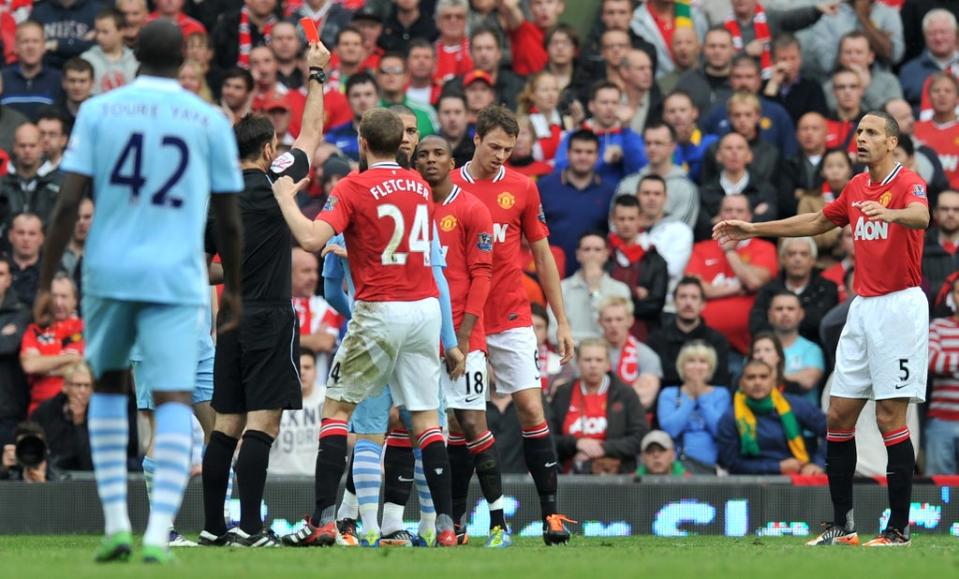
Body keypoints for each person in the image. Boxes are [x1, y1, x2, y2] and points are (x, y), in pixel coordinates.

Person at [33, 20, 244, 561]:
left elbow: (65, 204)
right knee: (176, 398)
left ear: (131, 53)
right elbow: (229, 219)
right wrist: (236, 288)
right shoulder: (209, 119)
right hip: (177, 278)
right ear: (187, 59)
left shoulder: (101, 110)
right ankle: (158, 536)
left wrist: (44, 278)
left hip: (110, 271)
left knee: (109, 390)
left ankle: (118, 523)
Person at [715, 111, 930, 546]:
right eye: (859, 132)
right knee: (838, 414)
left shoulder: (909, 183)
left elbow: (921, 216)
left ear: (891, 142)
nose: (861, 138)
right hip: (863, 307)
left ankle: (898, 529)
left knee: (890, 416)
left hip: (900, 308)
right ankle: (842, 526)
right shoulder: (855, 187)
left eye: (871, 132)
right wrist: (753, 229)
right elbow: (816, 223)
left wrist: (891, 216)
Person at [270, 107, 464, 548]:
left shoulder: (353, 186)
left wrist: (285, 196)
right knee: (427, 421)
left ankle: (324, 520)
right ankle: (448, 525)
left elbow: (310, 239)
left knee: (336, 412)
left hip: (380, 309)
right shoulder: (419, 185)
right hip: (425, 311)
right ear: (401, 144)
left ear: (361, 142)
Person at [199, 37, 328, 549]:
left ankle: (213, 526)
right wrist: (316, 74)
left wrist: (232, 273)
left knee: (225, 423)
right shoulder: (279, 179)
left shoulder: (218, 196)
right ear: (270, 149)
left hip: (229, 315)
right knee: (263, 422)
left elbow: (203, 267)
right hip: (271, 316)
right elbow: (313, 131)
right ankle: (251, 528)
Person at [451, 105, 576, 544]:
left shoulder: (523, 188)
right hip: (462, 321)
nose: (501, 155)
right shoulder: (446, 186)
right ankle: (456, 522)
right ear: (476, 138)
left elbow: (542, 255)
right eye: (494, 146)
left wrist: (561, 320)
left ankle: (552, 516)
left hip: (510, 314)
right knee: (464, 419)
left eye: (508, 148)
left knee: (529, 407)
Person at [415, 134, 511, 548]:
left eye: (438, 154)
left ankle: (499, 523)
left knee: (470, 421)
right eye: (423, 155)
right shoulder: (411, 207)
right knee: (421, 425)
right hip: (417, 333)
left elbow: (482, 274)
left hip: (462, 334)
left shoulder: (472, 208)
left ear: (452, 161)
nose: (430, 160)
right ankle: (445, 523)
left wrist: (466, 338)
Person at [686, 194, 778, 355]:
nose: (733, 215)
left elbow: (753, 282)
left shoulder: (765, 248)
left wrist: (729, 250)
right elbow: (697, 290)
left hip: (747, 346)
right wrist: (737, 287)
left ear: (749, 217)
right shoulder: (700, 248)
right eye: (728, 210)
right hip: (703, 344)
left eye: (739, 211)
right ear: (719, 216)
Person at [549, 338, 647, 475]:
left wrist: (603, 448)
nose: (593, 365)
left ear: (608, 364)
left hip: (616, 474)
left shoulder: (626, 394)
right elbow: (549, 438)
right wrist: (576, 444)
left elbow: (639, 437)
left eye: (599, 360)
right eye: (587, 360)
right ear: (577, 363)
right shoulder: (563, 393)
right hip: (569, 475)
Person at [716, 359, 826, 475]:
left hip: (798, 478)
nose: (757, 382)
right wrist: (777, 467)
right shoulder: (730, 417)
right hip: (751, 485)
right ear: (741, 383)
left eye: (763, 377)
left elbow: (832, 430)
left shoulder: (795, 405)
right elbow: (731, 463)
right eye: (751, 377)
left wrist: (818, 463)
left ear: (773, 381)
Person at [539, 130, 616, 276]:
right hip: (549, 273)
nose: (583, 157)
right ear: (568, 153)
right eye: (578, 151)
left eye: (589, 152)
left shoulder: (609, 192)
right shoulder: (545, 186)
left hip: (592, 275)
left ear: (597, 155)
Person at [748, 237, 839, 346]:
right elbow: (757, 325)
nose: (797, 259)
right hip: (775, 350)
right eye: (791, 254)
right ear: (782, 260)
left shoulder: (827, 288)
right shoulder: (768, 290)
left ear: (813, 260)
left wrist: (780, 322)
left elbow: (822, 323)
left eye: (803, 254)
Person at [657, 341, 730, 471]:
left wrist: (701, 397)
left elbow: (720, 430)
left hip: (713, 467)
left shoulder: (721, 393)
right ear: (682, 366)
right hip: (678, 467)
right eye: (691, 361)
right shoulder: (669, 394)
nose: (697, 366)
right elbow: (670, 430)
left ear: (710, 367)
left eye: (703, 361)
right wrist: (690, 399)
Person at [555, 81, 646, 184]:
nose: (610, 108)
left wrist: (625, 155)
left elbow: (642, 168)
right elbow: (560, 169)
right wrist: (603, 161)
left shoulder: (628, 135)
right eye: (604, 102)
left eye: (614, 103)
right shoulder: (576, 135)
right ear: (591, 106)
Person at [648, 277, 732, 388]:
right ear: (674, 302)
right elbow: (659, 375)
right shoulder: (657, 339)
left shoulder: (717, 340)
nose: (688, 303)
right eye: (683, 297)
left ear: (702, 304)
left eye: (694, 297)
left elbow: (720, 379)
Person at [20, 273, 84, 416]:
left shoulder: (85, 329)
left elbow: (84, 366)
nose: (58, 302)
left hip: (75, 410)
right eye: (54, 296)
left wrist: (45, 364)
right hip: (39, 411)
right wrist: (69, 359)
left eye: (64, 296)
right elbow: (30, 365)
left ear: (75, 300)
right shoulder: (35, 330)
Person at [606, 193, 669, 337]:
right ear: (612, 219)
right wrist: (633, 292)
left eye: (631, 219)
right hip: (604, 333)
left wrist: (614, 305)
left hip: (643, 333)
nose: (626, 224)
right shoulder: (602, 254)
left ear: (640, 219)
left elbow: (655, 305)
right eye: (621, 219)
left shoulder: (655, 260)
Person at [615, 123, 700, 229]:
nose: (652, 148)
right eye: (648, 143)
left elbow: (681, 228)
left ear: (673, 147)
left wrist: (643, 230)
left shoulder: (686, 188)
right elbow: (615, 222)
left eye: (658, 143)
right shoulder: (627, 184)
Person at [554, 233, 630, 343]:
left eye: (597, 249)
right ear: (578, 254)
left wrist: (594, 290)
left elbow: (621, 332)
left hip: (609, 355)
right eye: (587, 249)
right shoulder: (562, 288)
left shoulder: (620, 289)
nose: (592, 254)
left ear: (606, 254)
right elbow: (553, 332)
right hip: (571, 356)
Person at [597, 296, 663, 411]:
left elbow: (645, 399)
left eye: (619, 319)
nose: (613, 325)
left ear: (630, 320)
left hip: (632, 422)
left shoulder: (647, 356)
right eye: (608, 320)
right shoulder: (588, 354)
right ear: (599, 322)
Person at [267, 348, 325, 476]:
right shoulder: (273, 398)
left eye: (307, 367)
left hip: (316, 478)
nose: (302, 372)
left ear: (316, 372)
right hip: (277, 479)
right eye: (298, 367)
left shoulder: (328, 399)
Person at [30, 361, 93, 471]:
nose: (82, 391)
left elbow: (89, 464)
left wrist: (79, 422)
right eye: (78, 385)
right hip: (50, 475)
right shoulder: (46, 411)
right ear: (65, 387)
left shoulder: (99, 415)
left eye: (87, 385)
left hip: (85, 479)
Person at [823, 31, 902, 114]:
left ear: (870, 57)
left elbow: (896, 116)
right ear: (840, 57)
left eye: (859, 52)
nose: (853, 57)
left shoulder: (889, 81)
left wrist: (868, 88)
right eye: (848, 52)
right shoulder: (829, 86)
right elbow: (837, 113)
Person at [926, 276, 959, 474]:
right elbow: (931, 361)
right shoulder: (937, 326)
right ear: (952, 296)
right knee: (941, 493)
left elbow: (941, 361)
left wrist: (949, 363)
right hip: (941, 423)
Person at [0, 21, 62, 121]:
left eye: (35, 41)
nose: (30, 47)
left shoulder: (58, 80)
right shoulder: (2, 78)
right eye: (25, 41)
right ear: (15, 47)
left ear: (44, 46)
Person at [762, 33, 828, 126]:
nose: (789, 64)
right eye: (783, 59)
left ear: (800, 59)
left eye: (793, 58)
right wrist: (774, 83)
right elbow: (763, 116)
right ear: (772, 62)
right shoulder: (763, 86)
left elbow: (819, 120)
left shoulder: (812, 87)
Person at [1, 125, 59, 227]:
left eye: (32, 146)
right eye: (22, 145)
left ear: (41, 147)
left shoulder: (57, 183)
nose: (27, 151)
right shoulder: (2, 182)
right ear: (14, 147)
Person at [0, 256, 30, 446]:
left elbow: (9, 345)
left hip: (8, 411)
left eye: (1, 274)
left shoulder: (21, 312)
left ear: (9, 279)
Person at [81, 7, 139, 95]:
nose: (99, 37)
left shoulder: (135, 61)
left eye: (105, 32)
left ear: (121, 31)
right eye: (97, 31)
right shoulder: (86, 60)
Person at [923, 190, 959, 304]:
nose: (950, 214)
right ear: (934, 213)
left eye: (956, 209)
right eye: (944, 209)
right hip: (931, 316)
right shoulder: (920, 246)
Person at [7, 213, 45, 308]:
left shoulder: (51, 271)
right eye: (20, 233)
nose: (26, 238)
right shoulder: (2, 268)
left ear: (41, 238)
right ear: (10, 236)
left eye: (32, 234)